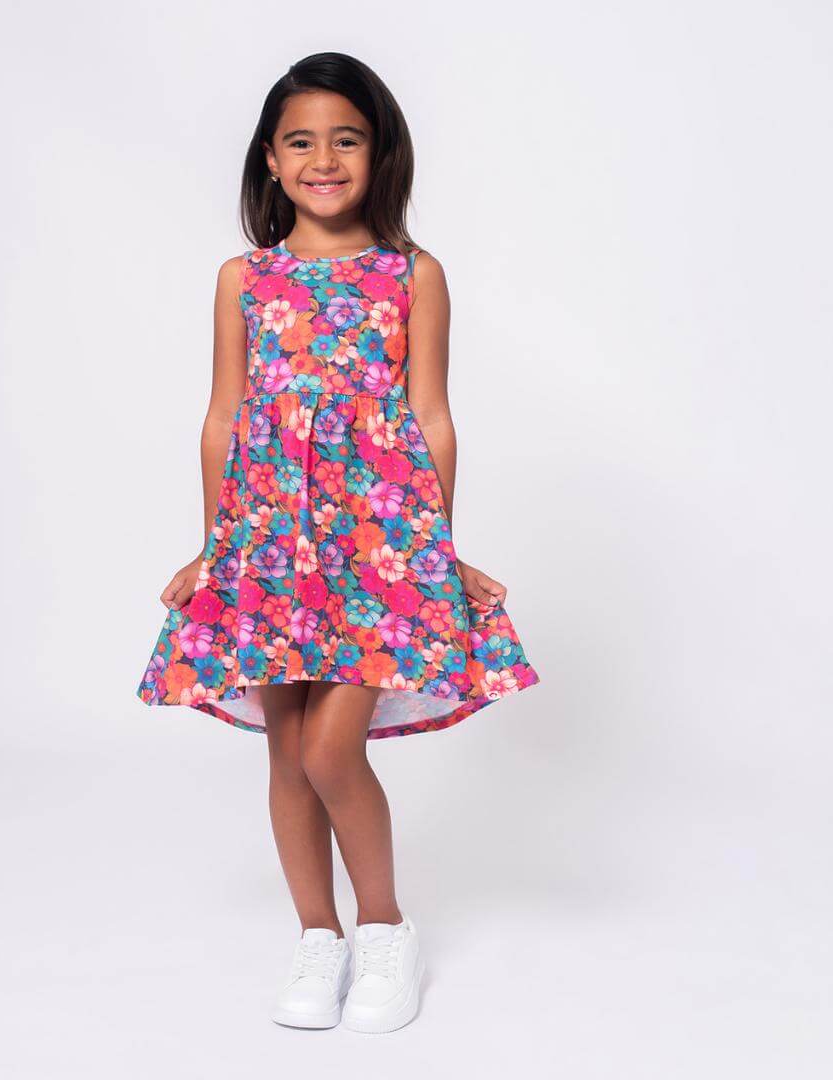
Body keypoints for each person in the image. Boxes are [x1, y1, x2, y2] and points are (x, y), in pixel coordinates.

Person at [135, 51, 540, 1034]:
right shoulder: (244, 280)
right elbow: (224, 419)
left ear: (380, 152)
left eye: (346, 139)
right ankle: (319, 936)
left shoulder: (412, 275)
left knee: (329, 747)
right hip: (270, 543)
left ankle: (385, 927)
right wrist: (216, 546)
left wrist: (435, 550)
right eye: (301, 142)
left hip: (377, 546)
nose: (324, 159)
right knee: (287, 751)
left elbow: (431, 417)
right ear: (271, 161)